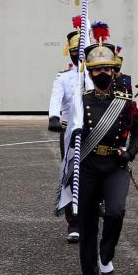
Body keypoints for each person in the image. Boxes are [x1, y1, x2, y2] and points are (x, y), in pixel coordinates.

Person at [56, 21, 138, 275]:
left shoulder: (125, 101)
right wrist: (75, 129)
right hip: (89, 166)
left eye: (108, 68)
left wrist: (130, 153)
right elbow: (69, 134)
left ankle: (107, 255)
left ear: (114, 71)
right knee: (87, 223)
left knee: (116, 212)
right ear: (90, 73)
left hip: (116, 166)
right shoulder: (81, 102)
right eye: (98, 70)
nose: (103, 73)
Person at [48, 16, 86, 242]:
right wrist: (53, 116)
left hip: (97, 133)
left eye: (81, 49)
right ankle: (74, 222)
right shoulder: (63, 78)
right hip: (71, 134)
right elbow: (55, 98)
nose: (77, 54)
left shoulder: (96, 77)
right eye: (74, 50)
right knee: (72, 175)